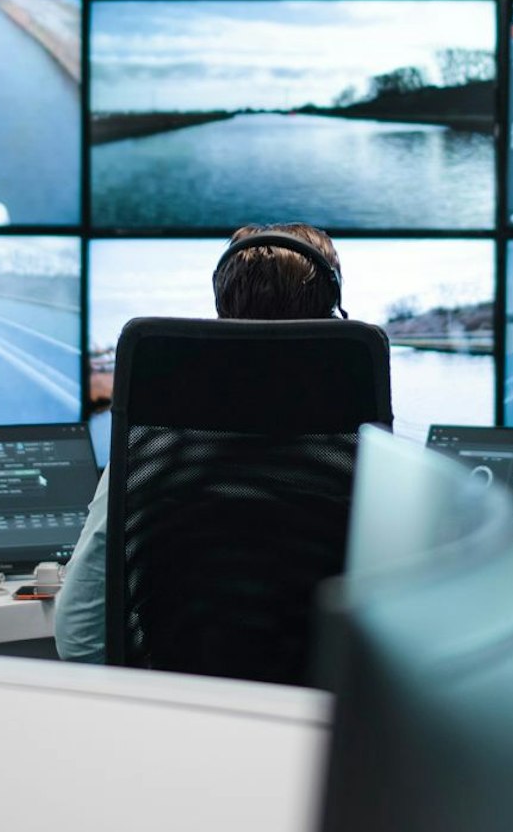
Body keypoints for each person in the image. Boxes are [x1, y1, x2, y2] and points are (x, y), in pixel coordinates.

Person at [53, 223, 345, 664]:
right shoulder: (364, 460)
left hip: (177, 719)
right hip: (324, 725)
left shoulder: (151, 454)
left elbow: (78, 632)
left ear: (221, 319)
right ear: (333, 320)